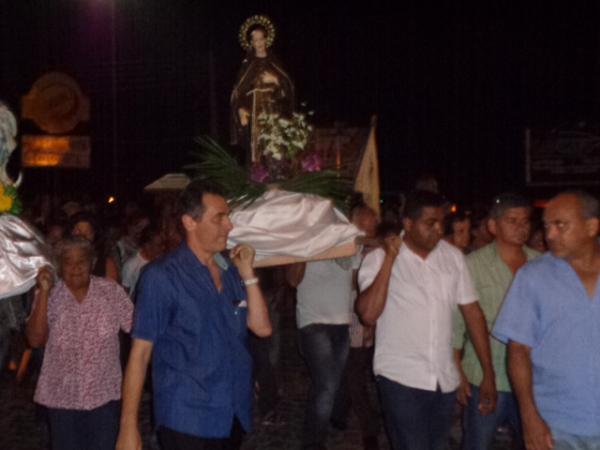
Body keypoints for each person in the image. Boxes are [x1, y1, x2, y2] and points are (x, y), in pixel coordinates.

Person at [116, 180, 272, 450]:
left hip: (231, 410)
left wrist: (248, 274)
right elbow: (140, 353)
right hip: (187, 415)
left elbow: (262, 328)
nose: (229, 226)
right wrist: (128, 426)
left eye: (228, 217)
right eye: (219, 218)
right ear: (190, 222)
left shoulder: (230, 270)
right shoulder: (161, 276)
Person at [356, 190, 497, 450]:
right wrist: (390, 258)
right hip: (401, 377)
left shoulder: (452, 257)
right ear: (408, 224)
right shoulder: (377, 258)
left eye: (440, 222)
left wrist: (488, 372)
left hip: (443, 378)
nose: (438, 229)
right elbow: (368, 314)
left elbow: (473, 314)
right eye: (429, 223)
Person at [493, 190, 600, 450]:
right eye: (546, 226)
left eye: (560, 225)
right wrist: (529, 417)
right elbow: (518, 350)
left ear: (591, 226)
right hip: (556, 424)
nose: (549, 235)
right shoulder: (533, 277)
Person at [26, 237, 133, 450]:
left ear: (92, 263)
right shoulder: (51, 295)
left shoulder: (110, 292)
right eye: (68, 261)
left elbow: (138, 329)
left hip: (104, 397)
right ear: (59, 266)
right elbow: (35, 339)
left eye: (82, 261)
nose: (75, 268)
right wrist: (44, 291)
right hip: (61, 399)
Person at [453, 193, 539, 449]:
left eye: (525, 221)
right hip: (486, 376)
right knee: (478, 443)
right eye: (512, 220)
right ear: (493, 226)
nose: (521, 227)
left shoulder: (542, 264)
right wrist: (458, 371)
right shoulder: (472, 265)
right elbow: (457, 323)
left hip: (533, 378)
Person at [286, 252, 360, 449]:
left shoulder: (348, 241)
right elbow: (293, 280)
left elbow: (353, 284)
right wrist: (305, 251)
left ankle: (336, 415)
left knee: (336, 377)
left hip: (342, 321)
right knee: (325, 383)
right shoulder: (306, 239)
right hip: (313, 321)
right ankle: (313, 441)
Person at [331, 204, 382, 450]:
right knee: (352, 371)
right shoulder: (350, 246)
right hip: (350, 314)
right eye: (369, 221)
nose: (374, 225)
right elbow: (354, 281)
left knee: (354, 371)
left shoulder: (369, 248)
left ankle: (351, 420)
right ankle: (354, 420)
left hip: (360, 316)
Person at [230, 18, 295, 164]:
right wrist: (241, 108)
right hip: (254, 112)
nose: (258, 43)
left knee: (275, 148)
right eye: (255, 40)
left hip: (274, 110)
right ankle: (257, 179)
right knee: (256, 150)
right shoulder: (248, 65)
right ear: (251, 43)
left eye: (261, 39)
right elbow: (238, 91)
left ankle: (277, 177)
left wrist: (275, 80)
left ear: (266, 39)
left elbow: (288, 87)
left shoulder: (275, 62)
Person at [68, 212, 119, 282]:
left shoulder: (106, 263)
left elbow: (112, 290)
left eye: (87, 232)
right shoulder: (62, 259)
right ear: (71, 232)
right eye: (78, 231)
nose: (83, 237)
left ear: (94, 235)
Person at [121, 226, 165, 297]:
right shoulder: (131, 265)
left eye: (163, 244)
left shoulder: (163, 260)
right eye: (158, 245)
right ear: (147, 245)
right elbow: (124, 295)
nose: (163, 248)